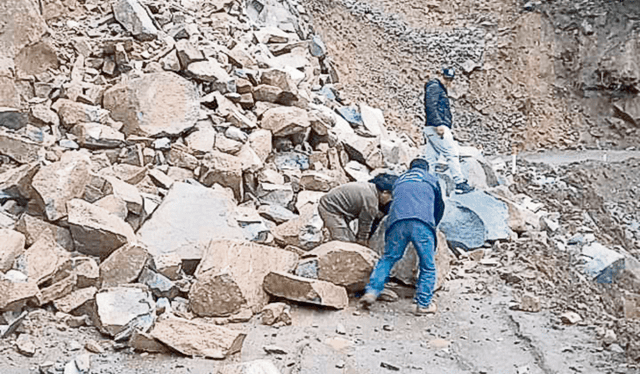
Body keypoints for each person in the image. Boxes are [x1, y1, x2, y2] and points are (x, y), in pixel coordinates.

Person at [360, 158, 445, 315]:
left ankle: (372, 291)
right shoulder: (430, 179)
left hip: (396, 222)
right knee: (427, 265)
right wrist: (434, 225)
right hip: (422, 224)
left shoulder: (399, 180)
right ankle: (423, 304)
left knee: (388, 258)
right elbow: (439, 205)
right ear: (426, 169)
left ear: (409, 168)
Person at [423, 67, 474, 194]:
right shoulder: (435, 87)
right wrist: (438, 123)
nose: (448, 81)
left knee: (431, 157)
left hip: (431, 127)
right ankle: (459, 182)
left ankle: (428, 183)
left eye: (450, 79)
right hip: (437, 127)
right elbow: (430, 105)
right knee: (451, 153)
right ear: (440, 75)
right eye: (446, 78)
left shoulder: (437, 87)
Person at [318, 174, 397, 245]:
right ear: (385, 192)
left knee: (351, 240)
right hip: (330, 209)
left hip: (339, 209)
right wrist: (363, 244)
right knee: (343, 243)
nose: (390, 200)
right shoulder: (371, 202)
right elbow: (364, 227)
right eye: (391, 197)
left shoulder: (371, 188)